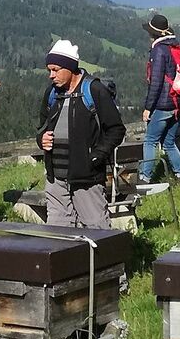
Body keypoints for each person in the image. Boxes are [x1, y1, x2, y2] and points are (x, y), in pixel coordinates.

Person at [38, 40, 125, 228]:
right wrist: (41, 139)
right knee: (58, 233)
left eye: (55, 69)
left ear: (70, 68)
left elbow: (116, 129)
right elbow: (42, 126)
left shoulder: (94, 91)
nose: (51, 75)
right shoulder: (52, 93)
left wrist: (95, 158)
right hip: (56, 178)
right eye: (49, 70)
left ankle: (103, 258)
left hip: (87, 177)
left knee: (96, 229)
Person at [139, 13, 180, 184]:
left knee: (150, 141)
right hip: (179, 103)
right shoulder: (175, 47)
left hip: (164, 104)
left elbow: (156, 82)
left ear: (154, 33)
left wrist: (148, 108)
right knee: (169, 143)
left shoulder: (159, 50)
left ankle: (144, 179)